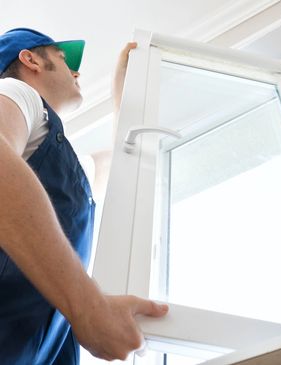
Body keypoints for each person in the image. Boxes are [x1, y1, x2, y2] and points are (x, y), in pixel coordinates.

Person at [0, 28, 168, 364]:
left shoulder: (60, 162)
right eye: (64, 60)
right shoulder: (15, 92)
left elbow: (119, 167)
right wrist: (90, 307)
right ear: (30, 59)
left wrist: (125, 92)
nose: (76, 72)